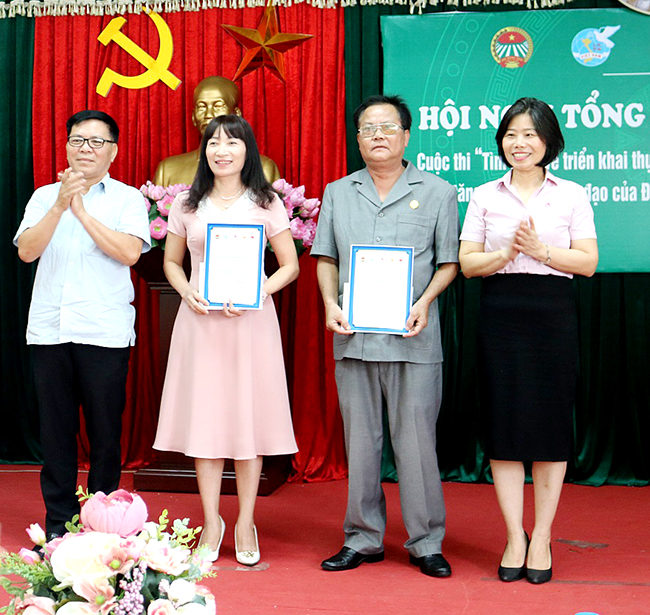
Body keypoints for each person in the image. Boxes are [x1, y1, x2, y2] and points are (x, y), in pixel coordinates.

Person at [312, 95, 460, 578]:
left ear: (406, 135)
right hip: (354, 337)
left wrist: (424, 302)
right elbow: (326, 257)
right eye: (367, 128)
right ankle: (362, 537)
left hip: (413, 338)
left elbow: (448, 262)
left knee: (416, 443)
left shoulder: (438, 192)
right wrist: (331, 304)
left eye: (387, 127)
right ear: (357, 139)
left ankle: (426, 542)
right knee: (360, 443)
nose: (377, 135)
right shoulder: (338, 192)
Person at [459, 97, 598, 584]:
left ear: (548, 142)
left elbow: (588, 262)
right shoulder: (484, 195)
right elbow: (467, 264)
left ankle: (541, 536)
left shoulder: (572, 194)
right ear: (501, 141)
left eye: (530, 135)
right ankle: (513, 536)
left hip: (552, 313)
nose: (519, 144)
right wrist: (503, 256)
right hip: (501, 312)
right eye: (511, 135)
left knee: (549, 428)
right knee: (504, 426)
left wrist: (541, 251)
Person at [153, 114, 299, 566]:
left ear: (247, 151)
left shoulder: (266, 202)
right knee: (208, 421)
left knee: (248, 421)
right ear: (205, 152)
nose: (222, 150)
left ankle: (246, 521)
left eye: (232, 142)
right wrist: (186, 292)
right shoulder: (186, 204)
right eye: (213, 143)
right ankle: (212, 521)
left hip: (251, 323)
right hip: (202, 322)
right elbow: (172, 262)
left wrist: (260, 291)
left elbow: (290, 265)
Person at [14, 110, 152, 539]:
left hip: (103, 332)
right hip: (50, 330)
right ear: (67, 146)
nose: (85, 149)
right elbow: (27, 251)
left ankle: (103, 525)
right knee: (55, 433)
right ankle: (59, 525)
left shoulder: (127, 199)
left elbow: (129, 253)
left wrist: (82, 212)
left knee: (105, 433)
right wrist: (61, 205)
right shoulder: (44, 196)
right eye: (77, 140)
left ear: (113, 151)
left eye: (96, 142)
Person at [153, 76, 281, 186]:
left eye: (218, 106)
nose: (209, 114)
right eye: (201, 107)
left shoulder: (263, 169)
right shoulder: (168, 171)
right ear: (193, 117)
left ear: (236, 114)